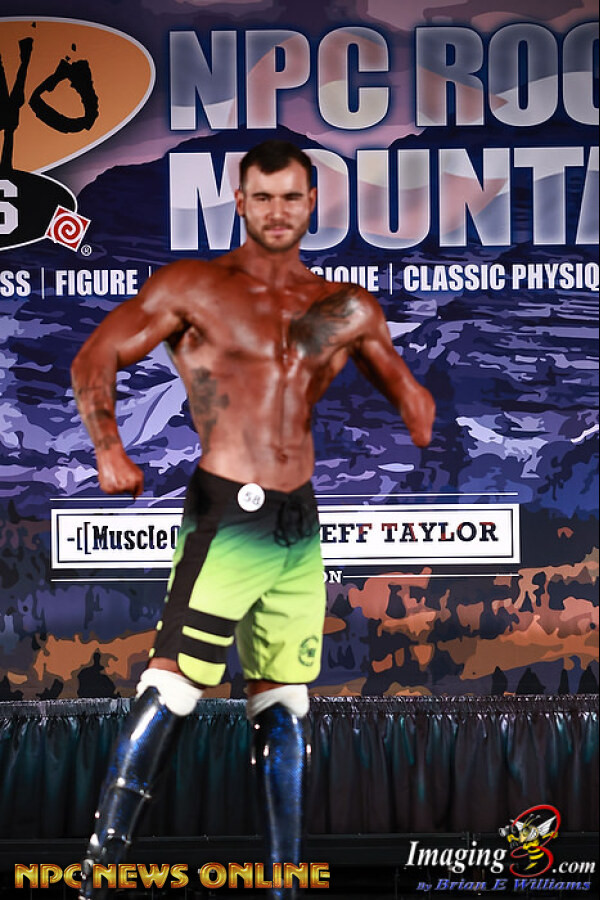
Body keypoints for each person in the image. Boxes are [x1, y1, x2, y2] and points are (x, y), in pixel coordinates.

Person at [71, 140, 435, 899]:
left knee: (285, 701)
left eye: (291, 197)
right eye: (263, 197)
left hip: (298, 522)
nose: (277, 211)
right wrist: (109, 449)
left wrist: (414, 403)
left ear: (312, 204)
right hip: (227, 512)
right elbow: (95, 358)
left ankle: (282, 883)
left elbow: (403, 384)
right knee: (173, 684)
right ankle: (96, 875)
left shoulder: (344, 305)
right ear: (239, 202)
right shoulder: (194, 287)